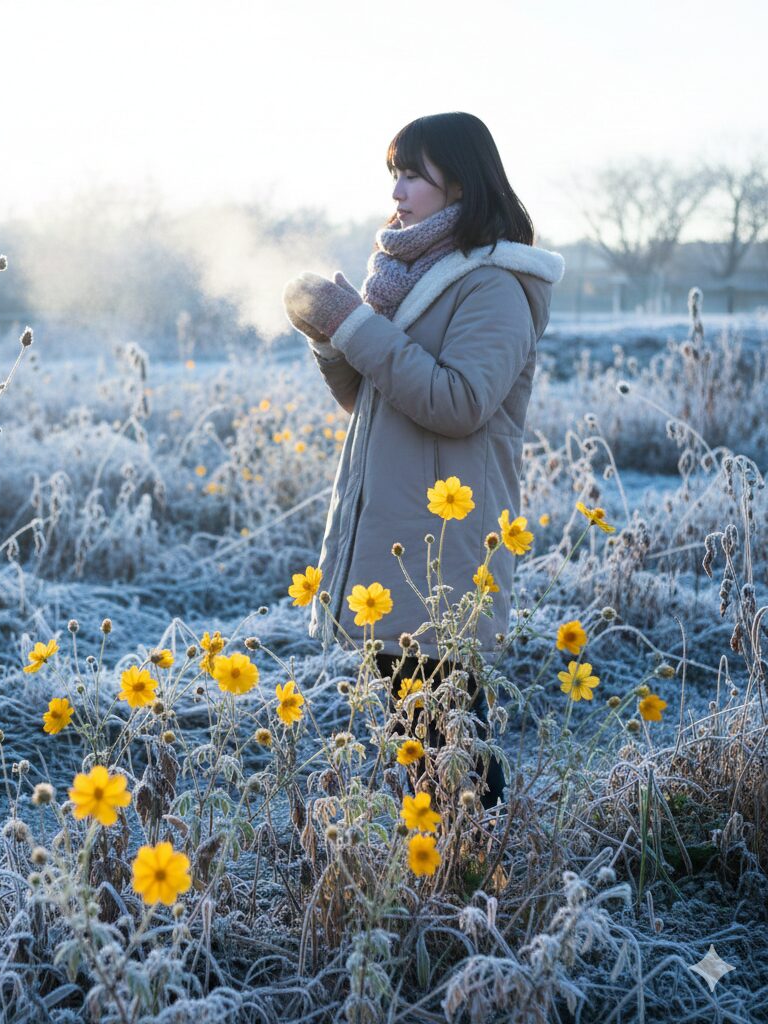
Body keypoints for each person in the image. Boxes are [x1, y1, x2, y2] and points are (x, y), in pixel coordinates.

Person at [282, 112, 566, 809]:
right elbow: (373, 399)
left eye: (414, 174)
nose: (398, 190)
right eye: (394, 174)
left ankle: (482, 888)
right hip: (402, 542)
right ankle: (457, 882)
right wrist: (330, 336)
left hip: (445, 547)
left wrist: (356, 324)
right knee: (424, 745)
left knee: (451, 749)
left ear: (461, 184)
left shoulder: (492, 285)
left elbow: (458, 400)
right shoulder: (409, 278)